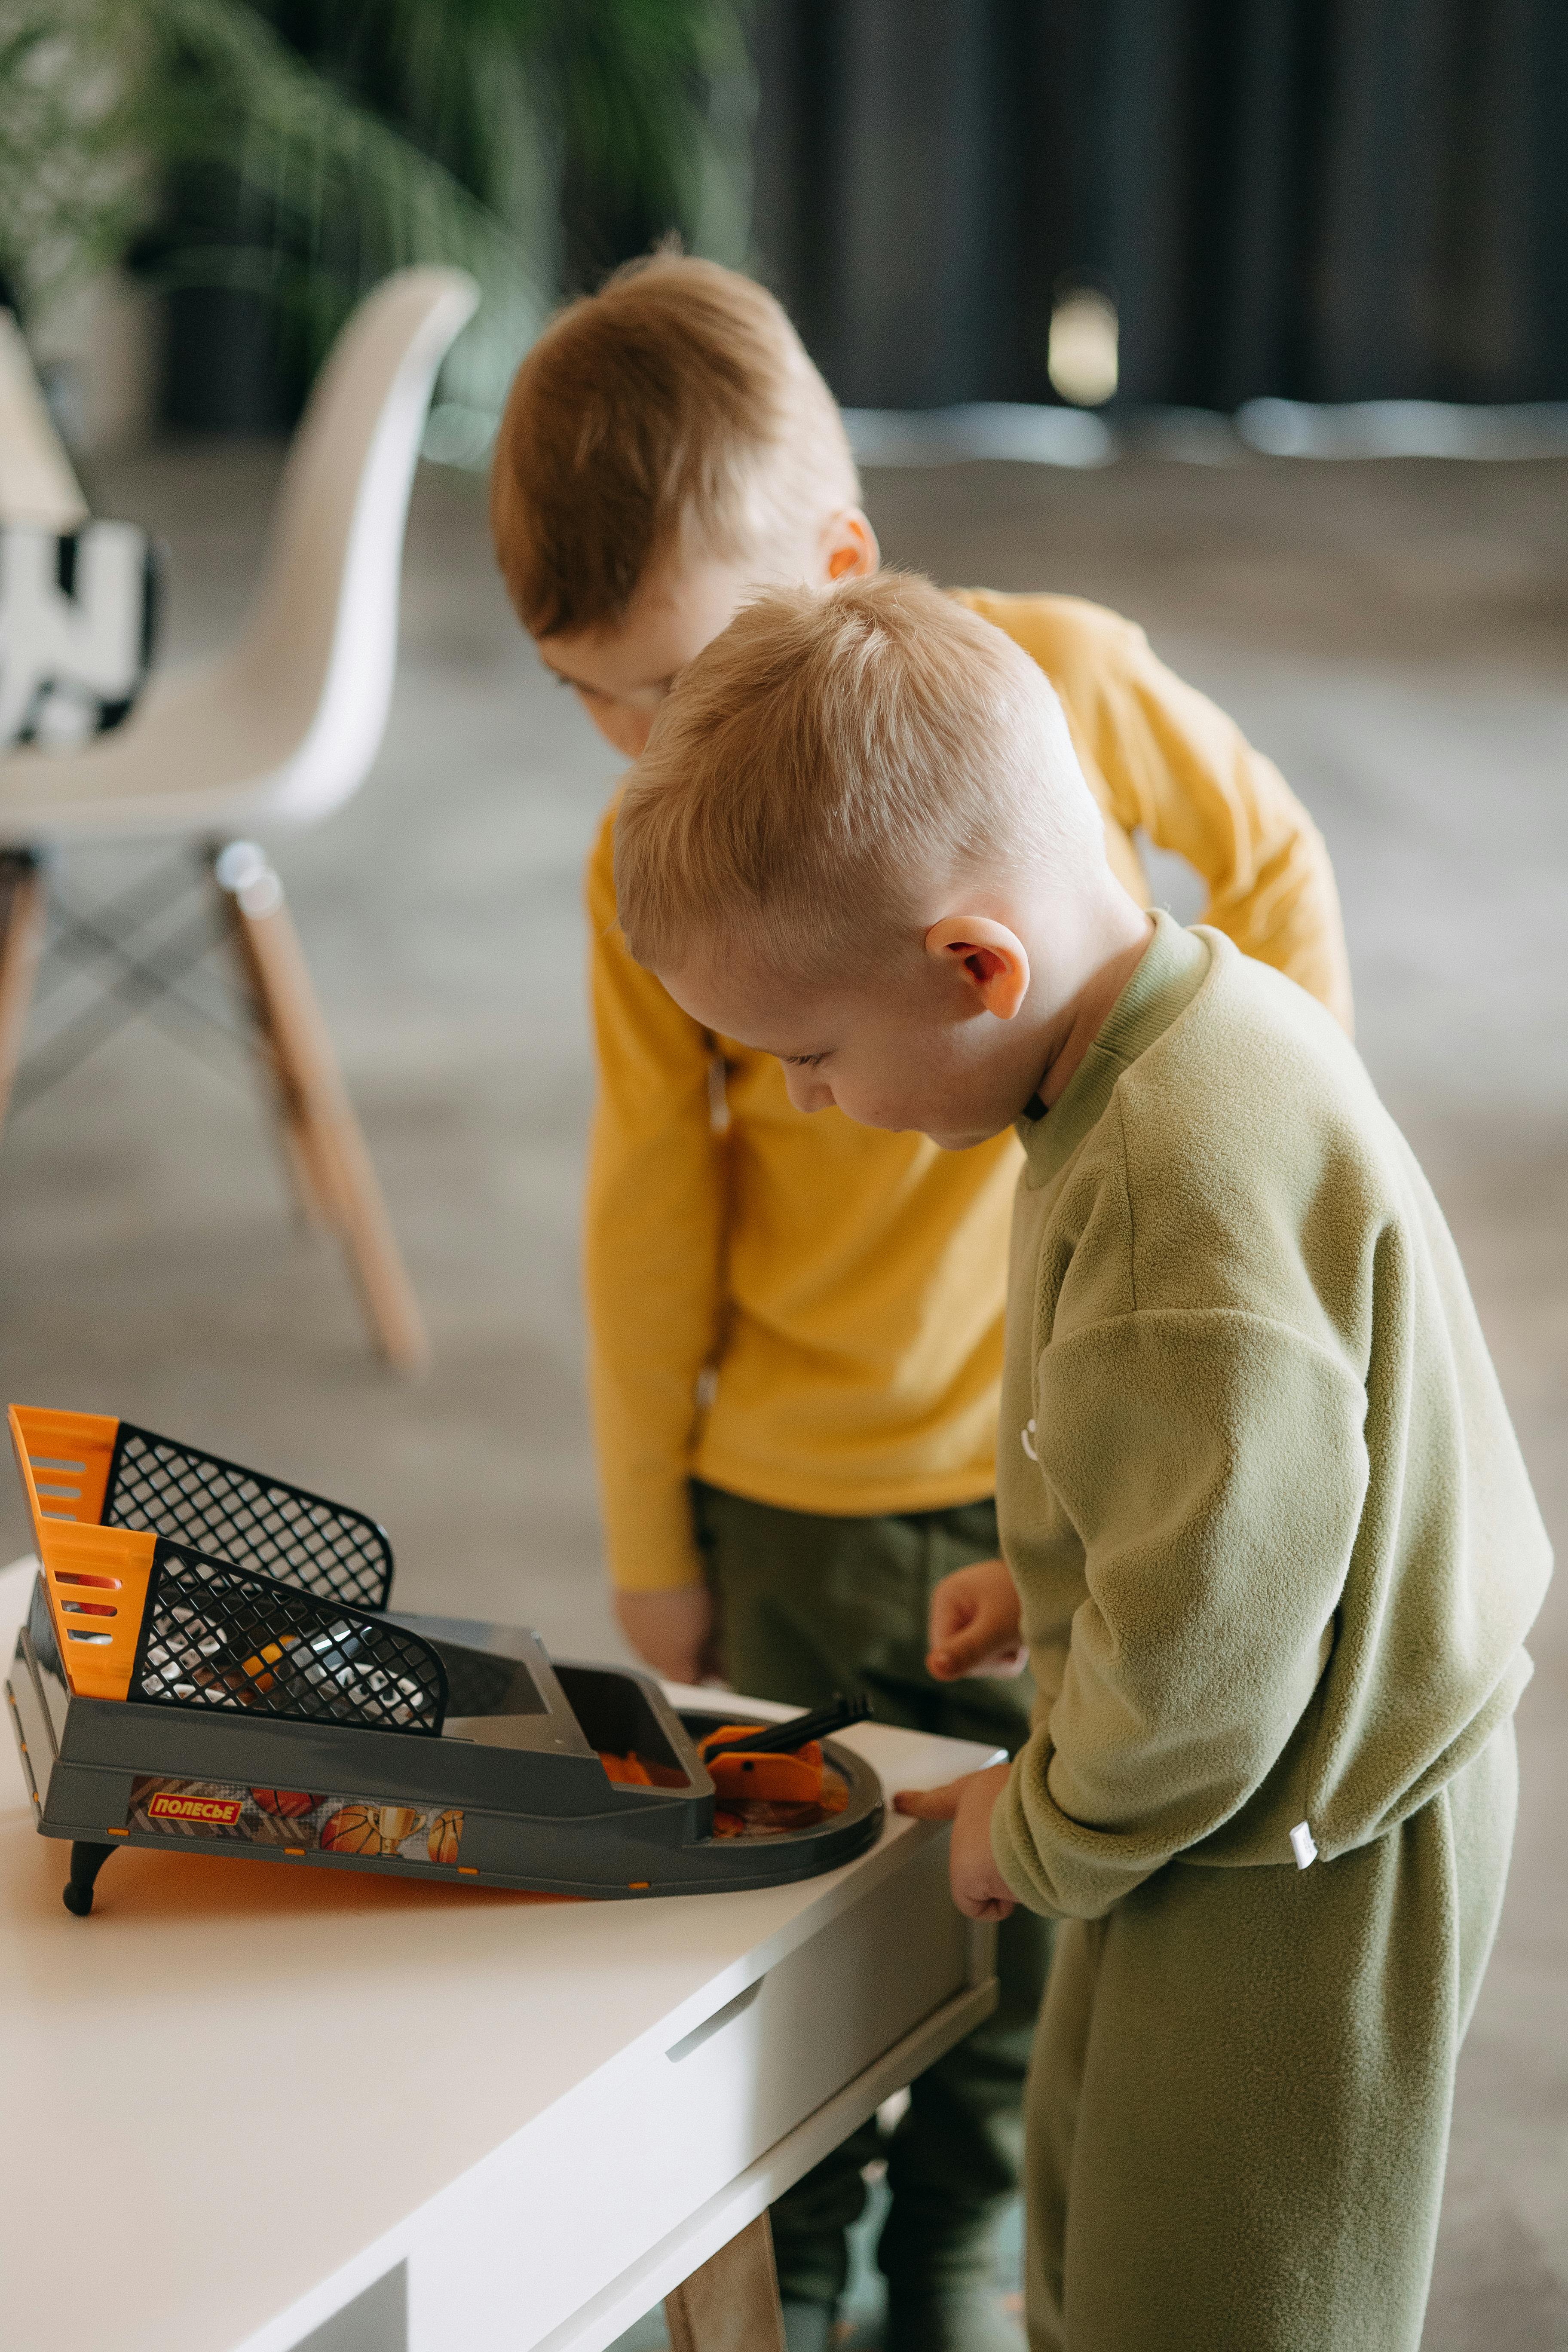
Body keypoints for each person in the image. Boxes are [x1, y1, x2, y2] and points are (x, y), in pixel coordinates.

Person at [489, 254, 1353, 2352]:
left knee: (1022, 1929)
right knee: (801, 1937)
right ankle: (798, 2267)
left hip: (1042, 1493)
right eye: (591, 699)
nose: (637, 744)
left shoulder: (1058, 682)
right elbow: (644, 1202)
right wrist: (649, 1531)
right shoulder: (667, 868)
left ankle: (950, 2281)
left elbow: (1270, 867)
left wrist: (1268, 1165)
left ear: (838, 562)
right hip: (785, 1496)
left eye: (671, 676)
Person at [607, 571, 1551, 2352]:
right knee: (1103, 2189)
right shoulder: (1145, 1050)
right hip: (1255, 1786)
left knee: (1223, 2284)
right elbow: (1209, 1508)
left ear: (976, 966)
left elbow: (1205, 1668)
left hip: (1310, 1845)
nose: (811, 1103)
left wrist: (1034, 1829)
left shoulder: (1168, 1209)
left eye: (814, 1057)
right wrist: (1048, 1574)